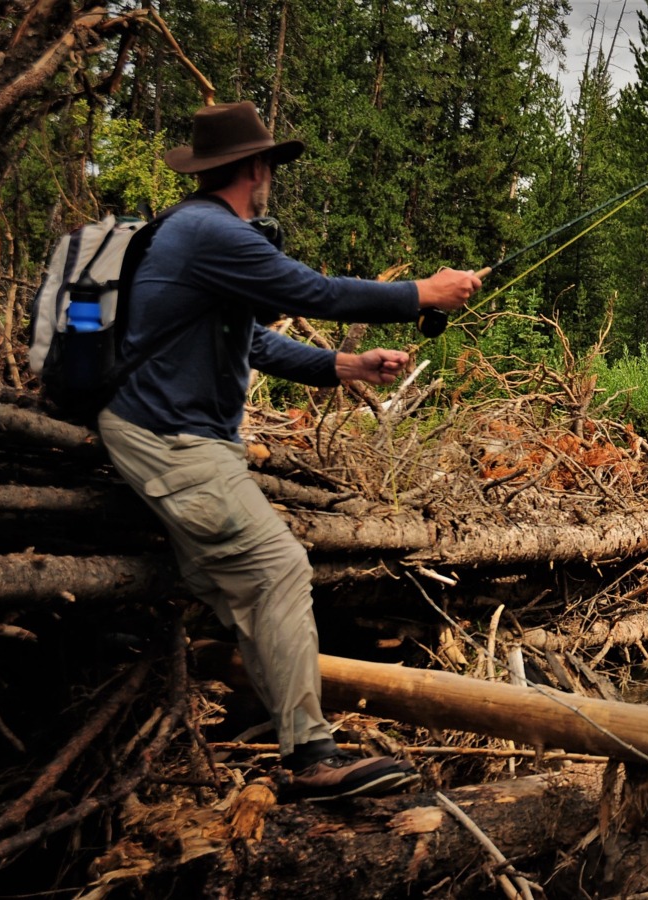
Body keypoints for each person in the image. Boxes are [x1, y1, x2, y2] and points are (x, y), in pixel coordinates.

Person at [97, 101, 482, 801]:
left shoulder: (198, 235)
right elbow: (316, 291)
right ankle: (311, 757)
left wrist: (341, 366)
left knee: (234, 585)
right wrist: (423, 292)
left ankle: (257, 716)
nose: (270, 173)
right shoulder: (211, 232)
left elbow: (251, 340)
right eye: (268, 162)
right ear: (253, 167)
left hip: (174, 436)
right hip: (170, 439)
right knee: (275, 567)